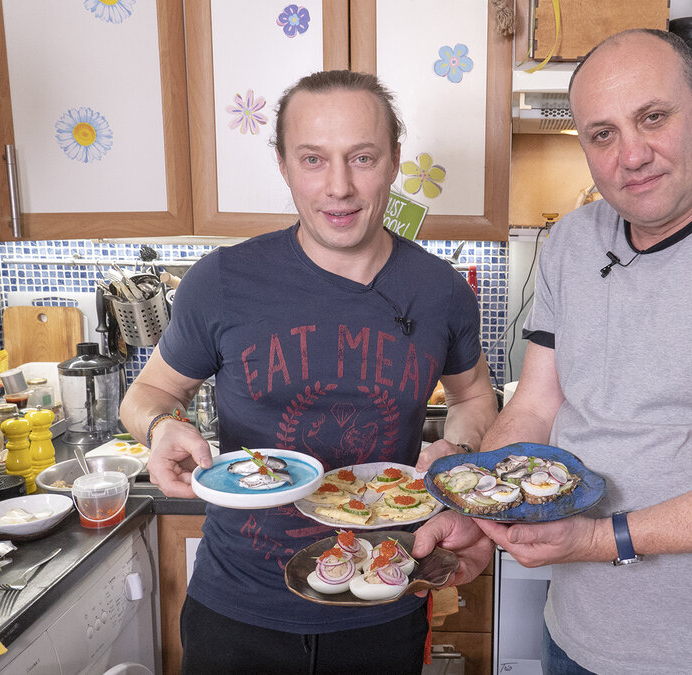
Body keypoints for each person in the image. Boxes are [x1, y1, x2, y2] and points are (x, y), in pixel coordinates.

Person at [427, 29, 692, 674]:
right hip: (572, 637)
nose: (631, 155)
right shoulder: (571, 242)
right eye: (602, 134)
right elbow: (536, 406)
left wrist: (600, 539)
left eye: (653, 117)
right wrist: (481, 504)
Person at [119, 70, 497, 675]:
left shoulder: (440, 290)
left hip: (383, 596)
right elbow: (150, 391)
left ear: (394, 161)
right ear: (284, 166)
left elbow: (474, 396)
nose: (339, 187)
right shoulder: (222, 281)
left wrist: (460, 449)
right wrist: (161, 427)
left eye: (362, 157)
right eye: (313, 159)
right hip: (237, 608)